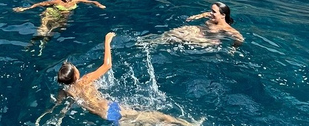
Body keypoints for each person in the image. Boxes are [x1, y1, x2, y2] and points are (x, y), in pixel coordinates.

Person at [55, 32, 201, 125]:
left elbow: (61, 106)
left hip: (102, 116)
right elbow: (107, 65)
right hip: (111, 108)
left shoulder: (68, 91)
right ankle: (190, 125)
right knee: (160, 117)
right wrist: (107, 40)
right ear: (75, 75)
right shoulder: (85, 79)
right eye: (75, 68)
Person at [13, 0, 105, 37]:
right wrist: (25, 8)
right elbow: (40, 3)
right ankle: (35, 41)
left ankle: (45, 40)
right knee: (43, 30)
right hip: (53, 13)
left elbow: (92, 1)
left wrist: (99, 5)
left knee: (61, 28)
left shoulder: (76, 1)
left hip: (63, 17)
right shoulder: (57, 1)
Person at [156, 2, 244, 47]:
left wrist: (233, 48)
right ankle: (154, 40)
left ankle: (153, 44)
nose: (210, 13)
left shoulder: (226, 28)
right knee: (172, 32)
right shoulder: (213, 17)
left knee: (175, 38)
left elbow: (240, 38)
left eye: (213, 12)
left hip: (208, 39)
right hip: (200, 30)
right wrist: (196, 16)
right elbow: (205, 14)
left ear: (223, 15)